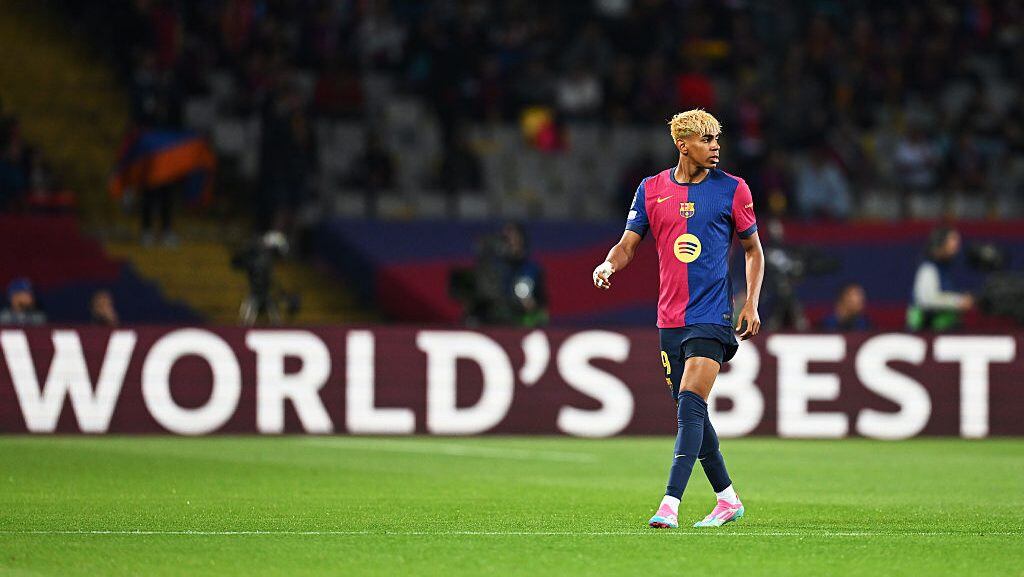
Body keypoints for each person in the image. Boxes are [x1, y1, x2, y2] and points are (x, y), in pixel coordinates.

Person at [592, 109, 764, 529]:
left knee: (690, 402)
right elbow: (627, 244)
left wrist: (751, 303)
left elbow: (753, 251)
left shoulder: (733, 189)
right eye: (707, 140)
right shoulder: (651, 189)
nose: (716, 147)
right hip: (669, 318)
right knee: (692, 412)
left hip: (712, 315)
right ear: (682, 144)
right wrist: (609, 264)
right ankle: (727, 499)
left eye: (717, 139)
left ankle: (670, 503)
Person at [907, 226, 974, 331]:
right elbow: (927, 299)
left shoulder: (944, 268)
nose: (957, 244)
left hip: (944, 329)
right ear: (940, 242)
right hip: (926, 331)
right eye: (953, 239)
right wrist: (959, 301)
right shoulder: (928, 268)